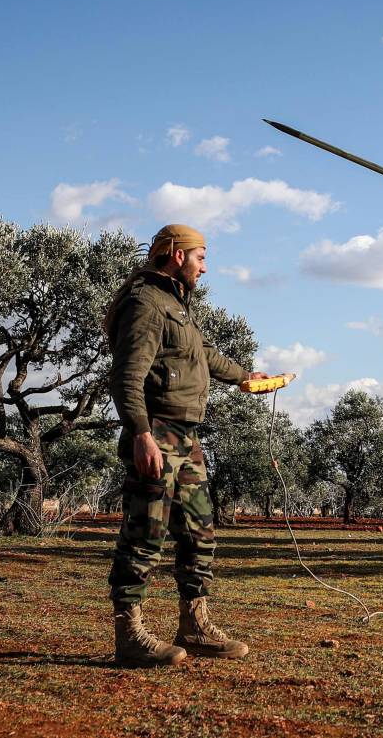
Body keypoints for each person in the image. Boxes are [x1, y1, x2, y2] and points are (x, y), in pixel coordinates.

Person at [104, 223, 268, 666]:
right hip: (156, 433)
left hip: (187, 437)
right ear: (177, 255)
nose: (205, 266)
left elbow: (203, 354)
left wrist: (243, 376)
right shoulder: (145, 303)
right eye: (201, 256)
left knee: (199, 533)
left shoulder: (177, 303)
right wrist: (140, 434)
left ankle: (194, 626)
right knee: (145, 534)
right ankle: (129, 634)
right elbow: (126, 377)